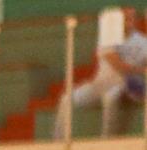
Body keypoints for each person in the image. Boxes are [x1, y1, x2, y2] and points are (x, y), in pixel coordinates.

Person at [56, 5, 147, 138]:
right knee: (66, 99)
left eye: (131, 17)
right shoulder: (108, 37)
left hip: (125, 86)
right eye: (125, 17)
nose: (128, 20)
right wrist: (141, 69)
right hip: (99, 84)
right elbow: (117, 64)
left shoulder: (143, 42)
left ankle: (108, 139)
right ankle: (58, 139)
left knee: (110, 98)